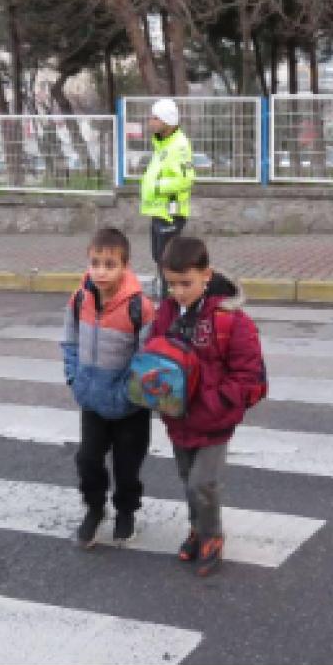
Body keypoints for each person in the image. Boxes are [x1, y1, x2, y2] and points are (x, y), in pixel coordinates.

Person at [148, 237, 266, 577]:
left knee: (204, 483)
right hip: (177, 416)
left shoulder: (231, 320)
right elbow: (154, 353)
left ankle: (212, 534)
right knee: (187, 480)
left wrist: (213, 404)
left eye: (186, 283)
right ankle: (196, 528)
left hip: (214, 420)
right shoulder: (168, 312)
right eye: (171, 284)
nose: (179, 291)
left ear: (206, 275)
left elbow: (248, 376)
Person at [61, 227, 157, 547]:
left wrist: (126, 394)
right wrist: (75, 379)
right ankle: (95, 508)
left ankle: (126, 511)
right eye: (95, 263)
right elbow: (70, 343)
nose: (101, 271)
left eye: (109, 264)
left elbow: (147, 358)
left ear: (125, 265)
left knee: (127, 467)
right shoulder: (79, 300)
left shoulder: (139, 307)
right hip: (92, 401)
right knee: (88, 460)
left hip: (129, 407)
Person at [140, 98, 194, 298]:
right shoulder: (163, 144)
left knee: (169, 262)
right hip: (159, 211)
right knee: (159, 258)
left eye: (155, 118)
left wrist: (156, 186)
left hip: (171, 213)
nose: (150, 121)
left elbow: (185, 180)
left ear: (167, 121)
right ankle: (168, 303)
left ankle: (172, 304)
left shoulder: (178, 146)